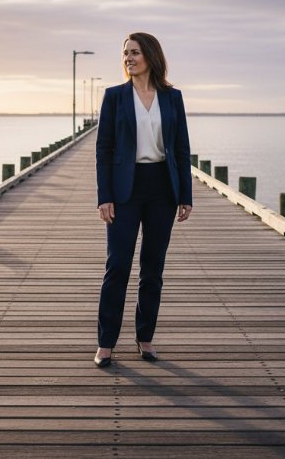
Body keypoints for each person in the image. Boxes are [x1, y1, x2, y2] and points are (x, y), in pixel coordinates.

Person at [94, 32, 192, 368]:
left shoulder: (172, 97)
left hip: (162, 189)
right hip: (124, 191)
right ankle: (106, 343)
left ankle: (145, 338)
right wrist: (104, 196)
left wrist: (185, 195)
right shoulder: (115, 97)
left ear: (150, 55)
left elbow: (181, 148)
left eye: (134, 52)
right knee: (117, 266)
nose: (128, 58)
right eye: (125, 54)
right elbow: (103, 151)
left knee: (153, 269)